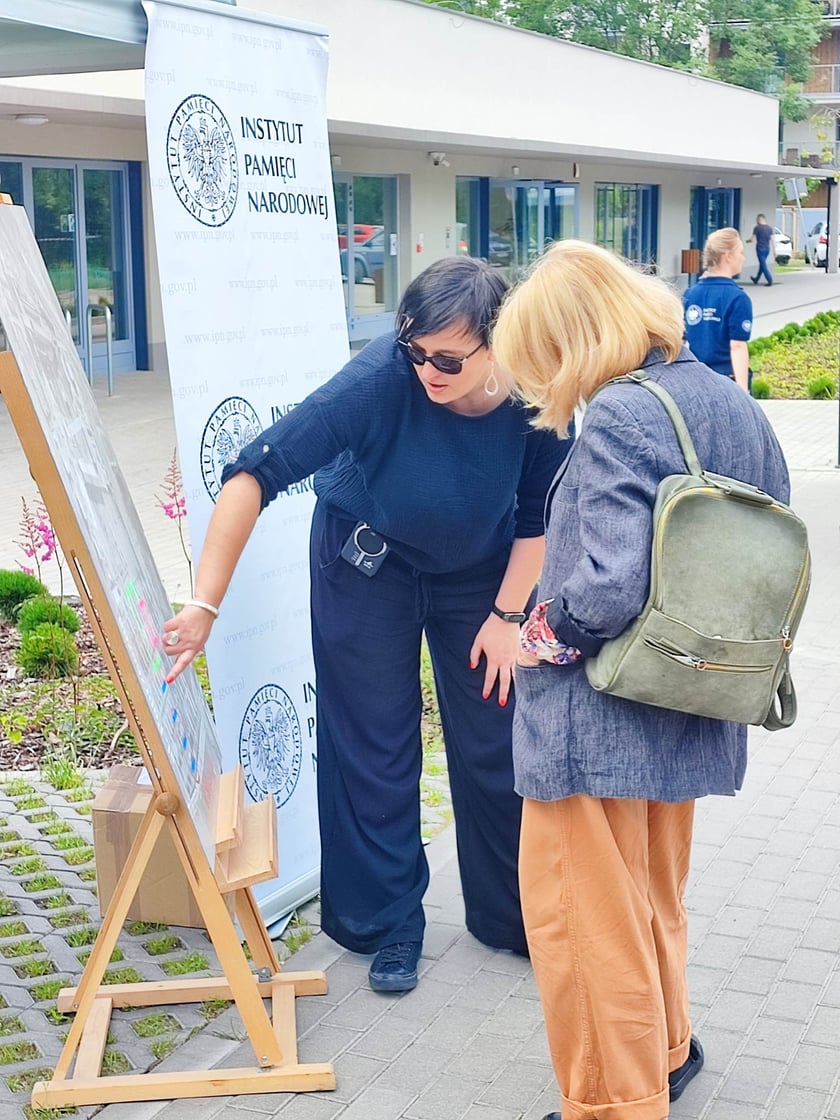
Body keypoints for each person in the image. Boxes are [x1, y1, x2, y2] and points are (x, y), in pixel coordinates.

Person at [163, 256, 573, 994]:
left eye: (447, 359)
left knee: (496, 738)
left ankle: (512, 916)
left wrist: (509, 616)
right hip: (366, 564)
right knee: (376, 745)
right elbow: (255, 471)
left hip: (481, 574)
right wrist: (204, 603)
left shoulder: (538, 396)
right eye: (414, 350)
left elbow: (538, 516)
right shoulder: (383, 376)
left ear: (498, 345)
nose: (426, 371)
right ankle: (388, 924)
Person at [491, 240, 789, 1120]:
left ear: (572, 340)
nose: (542, 384)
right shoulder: (728, 402)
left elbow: (610, 580)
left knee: (582, 922)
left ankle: (614, 1102)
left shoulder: (623, 412)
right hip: (690, 694)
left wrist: (538, 636)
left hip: (598, 717)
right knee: (653, 899)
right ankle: (663, 1051)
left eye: (540, 360)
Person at [683, 227, 752, 392]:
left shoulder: (690, 294)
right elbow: (737, 346)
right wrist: (743, 390)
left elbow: (680, 340)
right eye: (741, 252)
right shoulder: (737, 298)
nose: (743, 258)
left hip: (696, 379)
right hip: (725, 381)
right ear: (728, 256)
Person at [747, 212, 775, 286]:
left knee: (763, 265)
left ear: (760, 219)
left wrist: (747, 241)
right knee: (762, 264)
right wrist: (774, 251)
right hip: (767, 248)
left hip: (760, 248)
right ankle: (756, 279)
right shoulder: (769, 228)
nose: (756, 221)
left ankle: (769, 279)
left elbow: (752, 240)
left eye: (757, 220)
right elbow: (772, 240)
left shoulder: (757, 228)